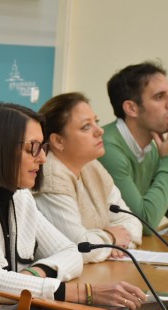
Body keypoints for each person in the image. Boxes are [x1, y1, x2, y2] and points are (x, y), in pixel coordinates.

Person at [0, 102, 145, 309]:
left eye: (42, 147)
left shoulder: (20, 197)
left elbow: (71, 251)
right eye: (33, 147)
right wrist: (85, 294)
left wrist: (34, 273)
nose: (42, 158)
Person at [34, 92, 142, 263]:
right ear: (58, 141)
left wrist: (112, 243)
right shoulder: (51, 176)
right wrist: (111, 238)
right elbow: (79, 248)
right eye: (86, 127)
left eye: (96, 122)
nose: (100, 131)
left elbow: (132, 222)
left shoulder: (92, 166)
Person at [99, 61, 168, 233]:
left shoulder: (152, 148)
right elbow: (144, 223)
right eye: (159, 97)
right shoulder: (107, 148)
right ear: (131, 108)